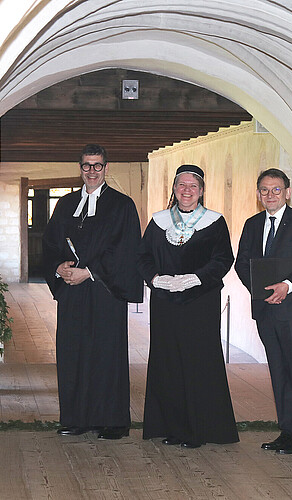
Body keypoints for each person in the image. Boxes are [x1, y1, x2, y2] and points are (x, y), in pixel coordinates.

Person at [43, 144, 143, 439]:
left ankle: (111, 421)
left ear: (106, 168)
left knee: (106, 354)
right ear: (80, 168)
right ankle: (76, 419)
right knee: (73, 352)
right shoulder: (65, 205)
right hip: (72, 291)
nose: (91, 171)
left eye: (97, 165)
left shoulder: (122, 205)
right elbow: (50, 243)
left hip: (105, 291)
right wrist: (59, 267)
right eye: (86, 165)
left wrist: (89, 272)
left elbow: (126, 250)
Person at [137, 164, 238, 448]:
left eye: (193, 186)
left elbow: (223, 259)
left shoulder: (214, 222)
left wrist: (196, 278)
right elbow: (142, 257)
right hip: (165, 302)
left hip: (200, 302)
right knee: (168, 362)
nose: (187, 190)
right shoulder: (159, 221)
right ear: (174, 188)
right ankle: (172, 427)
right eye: (182, 185)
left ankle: (200, 429)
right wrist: (155, 279)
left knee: (198, 361)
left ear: (202, 191)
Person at [235, 168, 292, 454]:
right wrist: (260, 290)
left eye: (276, 189)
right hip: (266, 311)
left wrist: (287, 286)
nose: (270, 195)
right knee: (279, 374)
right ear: (258, 194)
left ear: (287, 192)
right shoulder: (252, 224)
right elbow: (242, 263)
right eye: (264, 190)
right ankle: (287, 431)